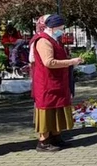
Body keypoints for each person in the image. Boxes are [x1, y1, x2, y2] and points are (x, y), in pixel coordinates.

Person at [29, 14, 83, 152]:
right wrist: (71, 62)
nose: (62, 30)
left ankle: (56, 136)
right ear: (53, 27)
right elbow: (49, 62)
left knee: (57, 109)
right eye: (60, 27)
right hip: (47, 83)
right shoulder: (43, 41)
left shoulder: (54, 39)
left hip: (57, 82)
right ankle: (43, 141)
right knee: (47, 110)